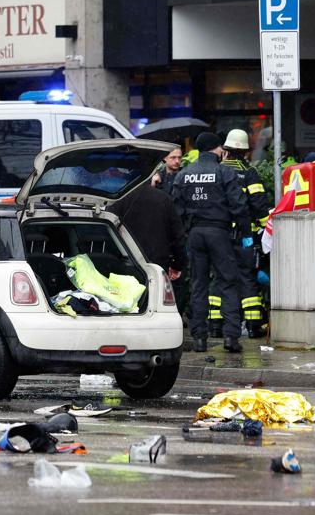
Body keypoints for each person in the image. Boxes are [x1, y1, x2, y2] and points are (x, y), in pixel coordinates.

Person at [169, 131, 251, 353]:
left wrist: (186, 231)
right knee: (228, 282)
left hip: (195, 234)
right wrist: (246, 234)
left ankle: (199, 339)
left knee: (198, 284)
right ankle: (231, 338)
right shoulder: (224, 171)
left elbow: (176, 209)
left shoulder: (184, 174)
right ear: (218, 149)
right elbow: (239, 205)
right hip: (220, 234)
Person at [216, 129, 270, 336]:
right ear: (246, 151)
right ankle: (253, 325)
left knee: (219, 277)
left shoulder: (217, 171)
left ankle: (215, 324)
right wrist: (265, 226)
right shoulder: (249, 173)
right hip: (243, 235)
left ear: (226, 150)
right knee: (247, 277)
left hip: (219, 234)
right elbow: (258, 204)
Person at [109, 174, 188, 316]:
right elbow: (178, 236)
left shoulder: (118, 201)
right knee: (155, 308)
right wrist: (178, 264)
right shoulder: (164, 199)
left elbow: (109, 233)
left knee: (125, 307)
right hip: (157, 263)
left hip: (125, 262)